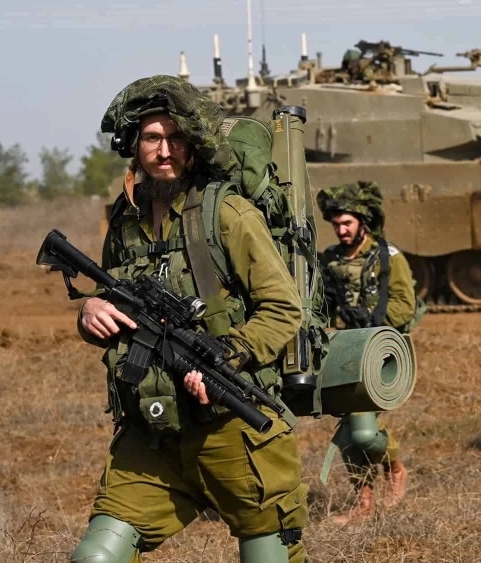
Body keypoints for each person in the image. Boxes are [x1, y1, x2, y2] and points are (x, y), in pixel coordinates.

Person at [69, 75, 308, 563]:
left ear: (194, 145)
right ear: (134, 147)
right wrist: (89, 311)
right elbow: (109, 297)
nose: (164, 151)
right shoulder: (126, 223)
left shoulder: (229, 216)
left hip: (231, 426)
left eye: (176, 138)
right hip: (152, 433)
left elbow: (284, 309)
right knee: (96, 557)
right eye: (152, 139)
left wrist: (227, 355)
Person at [315, 181, 421, 525]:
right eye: (336, 225)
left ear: (362, 221)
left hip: (379, 353)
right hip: (341, 353)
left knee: (363, 431)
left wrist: (373, 323)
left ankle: (395, 468)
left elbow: (406, 305)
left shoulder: (388, 258)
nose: (341, 230)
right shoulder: (328, 260)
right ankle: (364, 502)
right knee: (348, 433)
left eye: (347, 223)